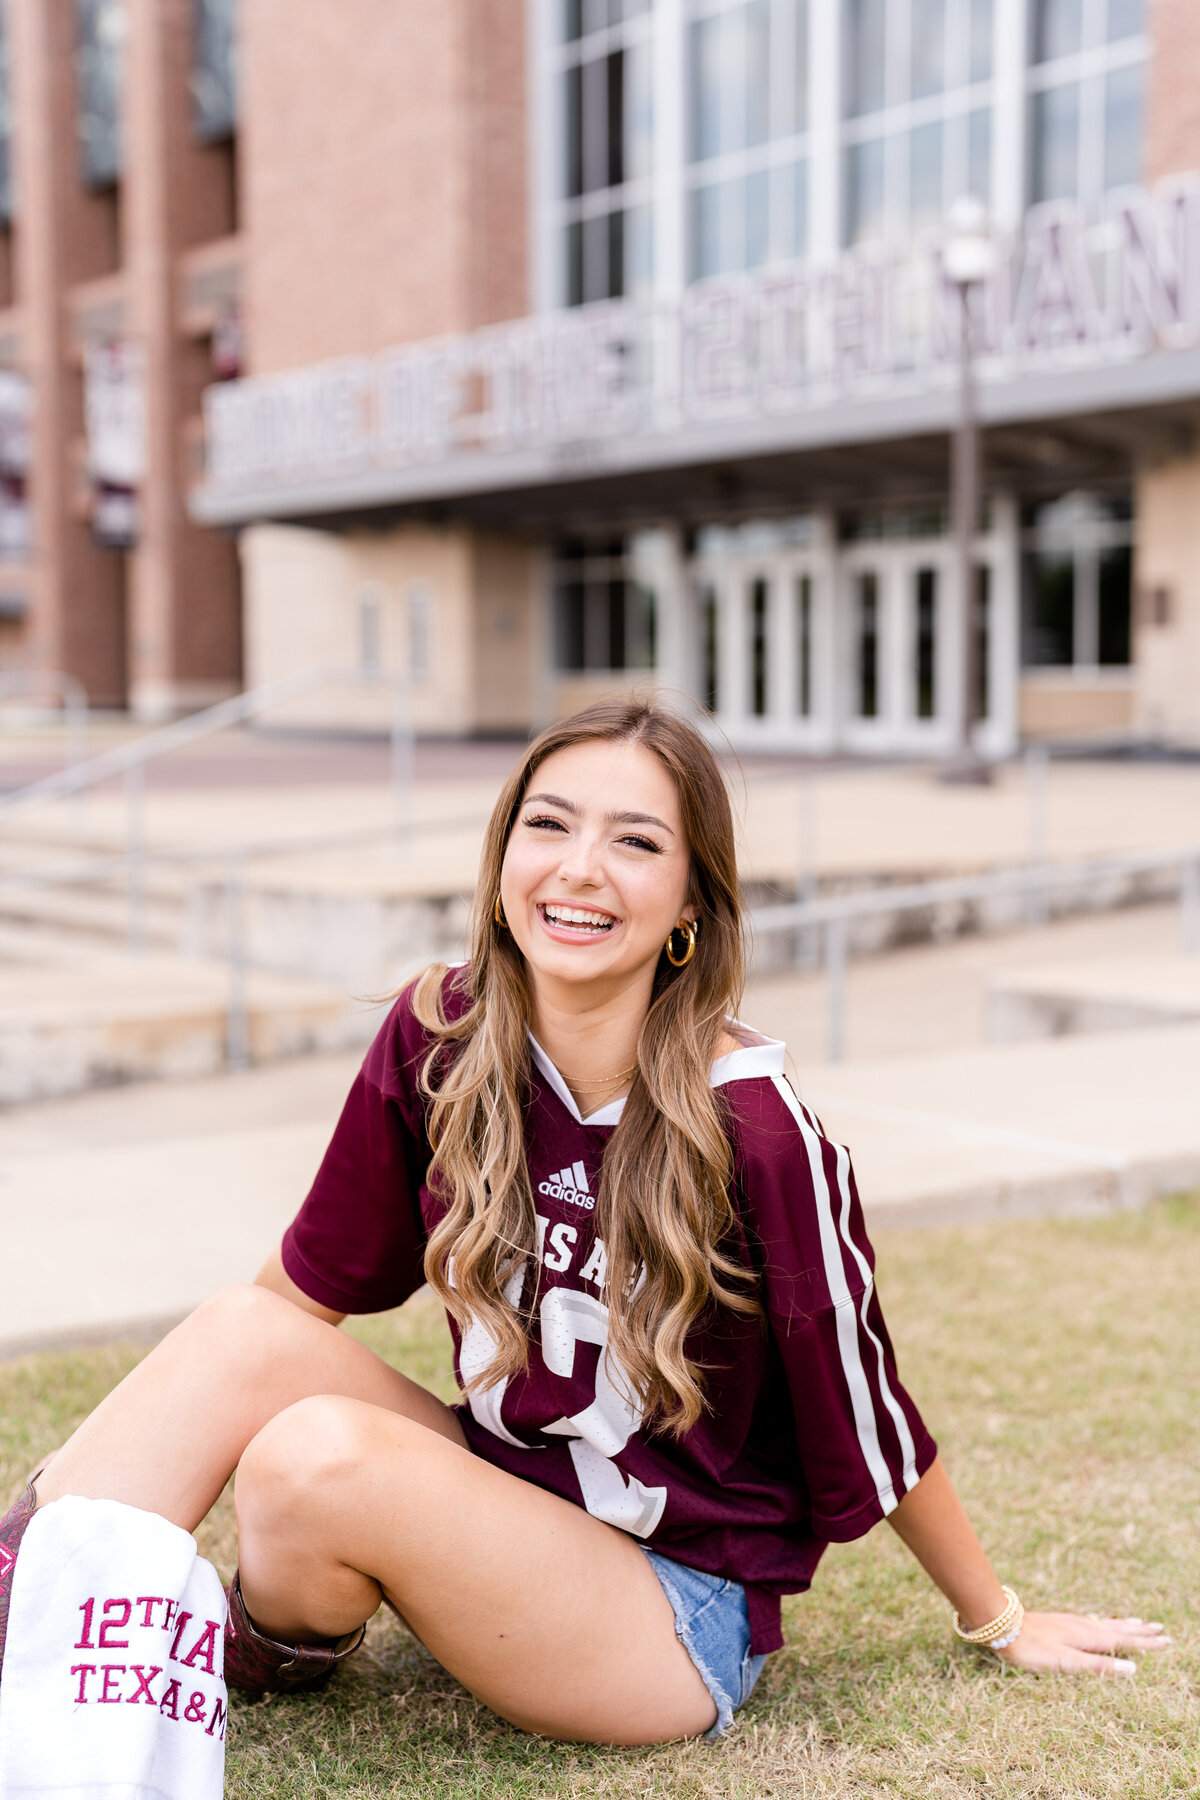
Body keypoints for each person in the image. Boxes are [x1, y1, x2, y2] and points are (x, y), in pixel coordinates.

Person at [0, 699, 1167, 1744]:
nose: (581, 870)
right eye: (549, 826)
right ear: (503, 858)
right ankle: (24, 1615)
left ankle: (204, 1642)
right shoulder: (441, 1034)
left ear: (690, 911)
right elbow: (300, 1292)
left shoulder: (755, 1129)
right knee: (236, 1335)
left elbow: (869, 1411)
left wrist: (997, 1616)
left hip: (672, 1607)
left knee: (314, 1461)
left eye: (637, 842)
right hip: (509, 1499)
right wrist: (218, 1397)